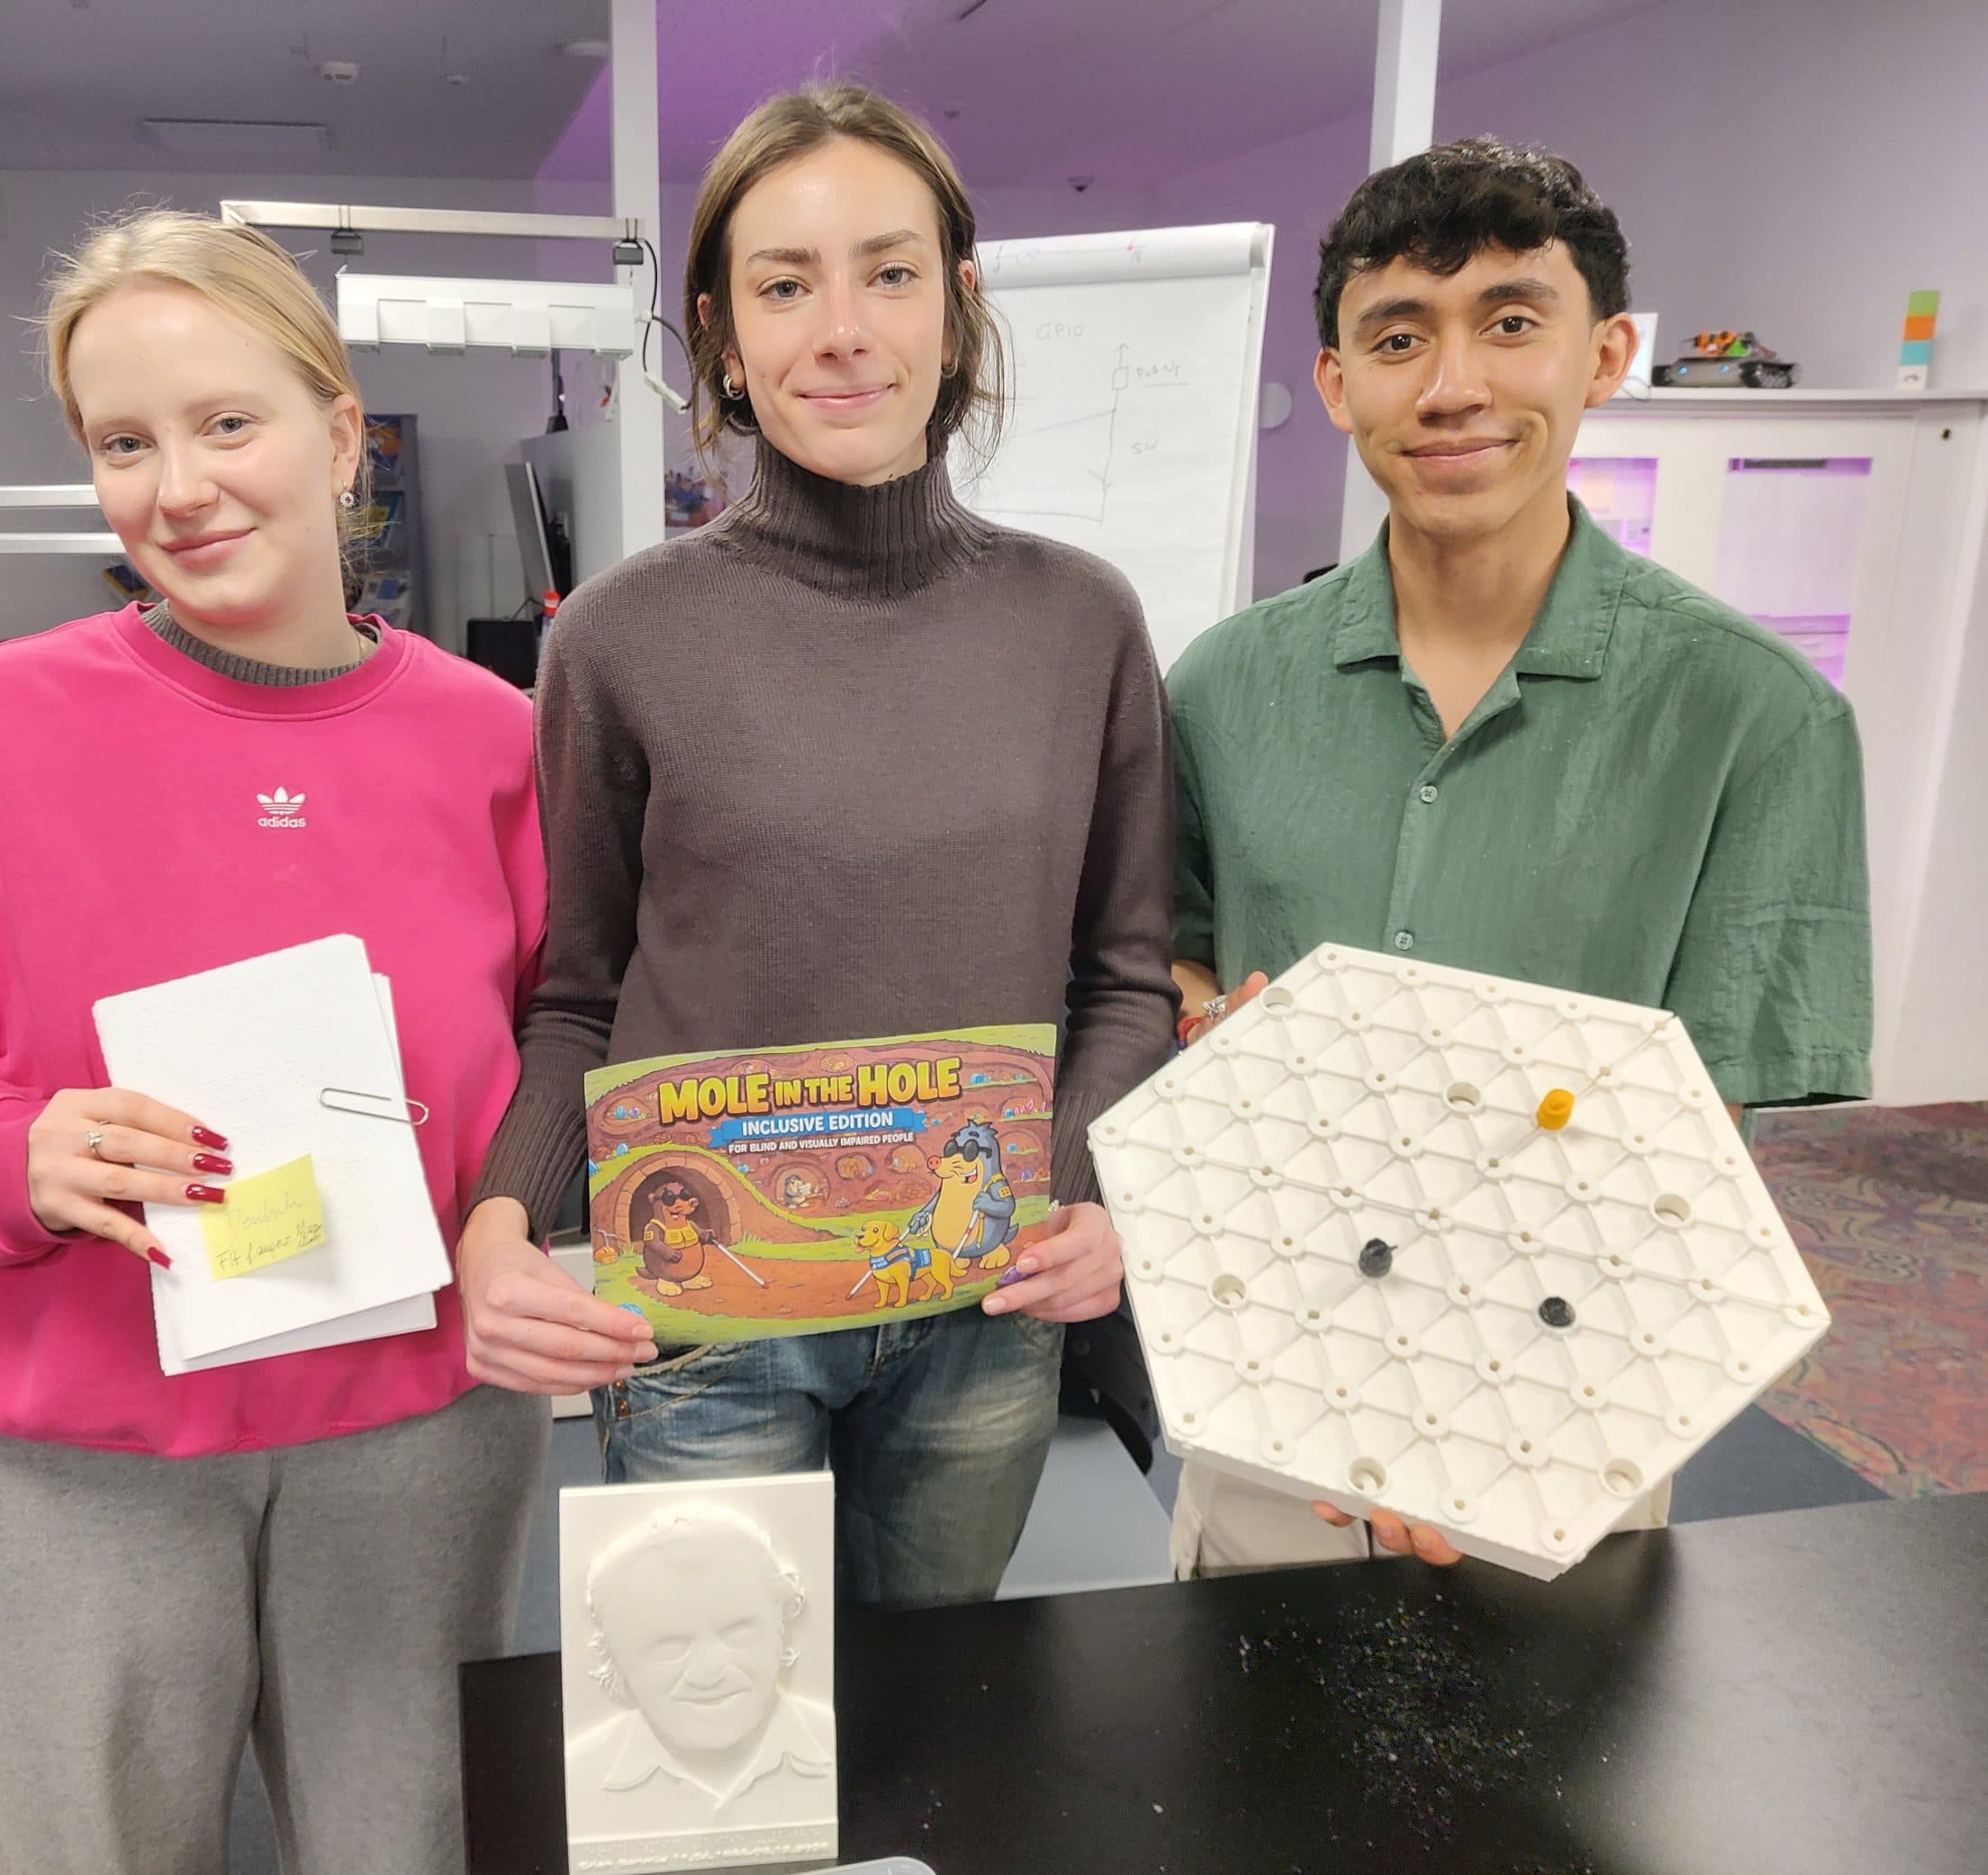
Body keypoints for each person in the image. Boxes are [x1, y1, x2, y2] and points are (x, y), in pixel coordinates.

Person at [0, 210, 549, 1875]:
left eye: (227, 422)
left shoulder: (497, 741)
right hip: (66, 1459)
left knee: (417, 1847)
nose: (180, 488)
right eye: (123, 442)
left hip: (408, 1442)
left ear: (336, 432)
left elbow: (569, 1047)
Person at [454, 81, 1179, 1608]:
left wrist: (1084, 1184)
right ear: (722, 331)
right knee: (724, 1749)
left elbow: (1123, 976)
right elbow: (581, 985)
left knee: (932, 1721)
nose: (842, 328)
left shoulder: (1081, 622)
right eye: (786, 284)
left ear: (958, 305)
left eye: (889, 271)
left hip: (982, 1295)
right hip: (708, 1306)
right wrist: (505, 1216)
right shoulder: (626, 637)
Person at [1164, 138, 1872, 1576]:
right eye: (1399, 335)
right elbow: (1168, 949)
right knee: (1232, 1773)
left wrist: (1485, 1406)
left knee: (1560, 1788)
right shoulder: (1222, 688)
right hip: (1270, 1381)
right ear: (1335, 380)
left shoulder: (1756, 715)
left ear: (1604, 353)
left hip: (1566, 1411)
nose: (1453, 387)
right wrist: (1202, 1017)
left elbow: (1712, 1139)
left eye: (1509, 320)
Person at [570, 1505, 836, 1833]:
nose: (709, 1671)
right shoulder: (583, 1771)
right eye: (671, 1646)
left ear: (781, 1626)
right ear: (617, 1658)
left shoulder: (827, 1743)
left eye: (737, 1632)